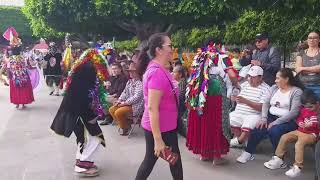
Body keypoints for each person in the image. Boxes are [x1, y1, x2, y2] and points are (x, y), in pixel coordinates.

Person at [50, 49, 109, 177]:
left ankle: (82, 161)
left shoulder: (79, 72)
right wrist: (91, 116)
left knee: (83, 139)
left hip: (76, 113)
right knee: (96, 138)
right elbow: (84, 98)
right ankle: (82, 165)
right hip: (81, 113)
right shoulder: (86, 73)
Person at [135, 33, 183, 180]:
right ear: (159, 50)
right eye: (169, 46)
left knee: (173, 161)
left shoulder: (162, 68)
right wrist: (158, 139)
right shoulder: (156, 73)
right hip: (160, 128)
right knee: (153, 161)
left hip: (166, 125)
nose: (172, 49)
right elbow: (152, 108)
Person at [186, 41, 238, 165]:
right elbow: (231, 75)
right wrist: (236, 83)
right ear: (218, 45)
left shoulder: (199, 56)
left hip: (200, 93)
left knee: (204, 121)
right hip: (216, 92)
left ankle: (205, 154)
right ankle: (216, 157)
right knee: (216, 122)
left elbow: (192, 74)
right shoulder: (222, 57)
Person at [236, 68, 303, 163]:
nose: (275, 81)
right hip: (271, 116)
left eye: (278, 78)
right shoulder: (274, 88)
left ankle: (279, 157)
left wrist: (276, 122)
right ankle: (248, 152)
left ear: (286, 79)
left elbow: (294, 112)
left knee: (274, 131)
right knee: (258, 128)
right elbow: (266, 103)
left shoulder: (296, 92)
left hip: (288, 121)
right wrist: (264, 118)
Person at [264, 90, 319, 178]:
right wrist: (300, 123)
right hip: (301, 130)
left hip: (312, 134)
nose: (308, 109)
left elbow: (317, 122)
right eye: (306, 107)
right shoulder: (304, 109)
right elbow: (299, 118)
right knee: (284, 137)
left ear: (317, 103)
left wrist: (312, 124)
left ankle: (297, 167)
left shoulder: (318, 110)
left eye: (310, 107)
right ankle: (278, 158)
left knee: (299, 144)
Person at [229, 66, 270, 147]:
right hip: (239, 112)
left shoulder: (266, 89)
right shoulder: (244, 85)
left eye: (253, 77)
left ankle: (240, 140)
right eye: (249, 76)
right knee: (227, 120)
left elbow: (261, 107)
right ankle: (240, 139)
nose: (250, 79)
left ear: (261, 77)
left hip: (254, 114)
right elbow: (235, 96)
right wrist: (233, 98)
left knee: (248, 124)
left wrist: (246, 101)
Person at [109, 61, 144, 136]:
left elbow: (136, 97)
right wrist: (119, 100)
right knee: (112, 109)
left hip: (136, 106)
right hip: (127, 103)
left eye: (133, 72)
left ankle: (125, 127)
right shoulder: (130, 82)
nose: (130, 73)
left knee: (118, 112)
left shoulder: (140, 83)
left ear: (138, 73)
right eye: (130, 72)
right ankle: (125, 125)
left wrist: (124, 103)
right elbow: (124, 93)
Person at [296, 31, 320, 98]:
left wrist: (303, 68)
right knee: (303, 107)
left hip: (318, 86)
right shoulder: (301, 53)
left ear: (319, 40)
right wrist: (315, 69)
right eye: (310, 38)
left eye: (315, 38)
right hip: (303, 86)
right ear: (307, 40)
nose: (312, 40)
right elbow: (298, 69)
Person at [172, 65, 187, 137]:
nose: (172, 73)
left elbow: (180, 96)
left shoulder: (182, 82)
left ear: (180, 74)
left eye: (174, 72)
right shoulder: (180, 82)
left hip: (181, 108)